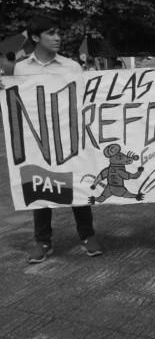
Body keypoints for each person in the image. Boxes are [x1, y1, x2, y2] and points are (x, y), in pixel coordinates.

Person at [13, 15, 102, 263]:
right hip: (38, 140)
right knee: (39, 187)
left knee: (77, 186)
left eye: (58, 33)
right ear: (35, 37)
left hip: (68, 136)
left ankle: (87, 235)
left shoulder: (71, 66)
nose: (57, 38)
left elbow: (83, 101)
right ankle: (42, 241)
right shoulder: (21, 68)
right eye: (51, 33)